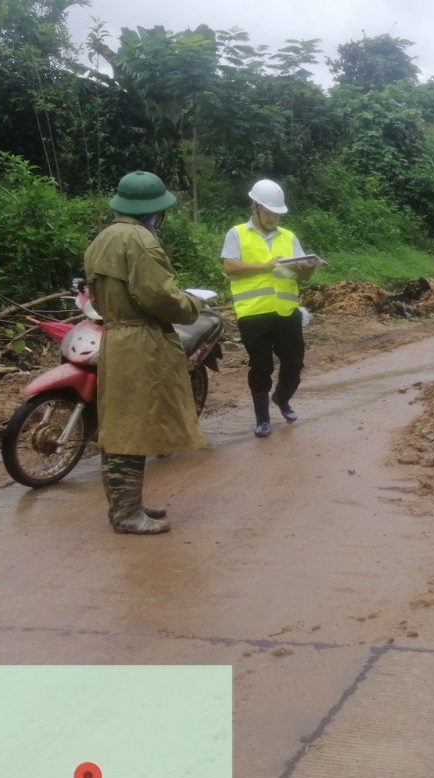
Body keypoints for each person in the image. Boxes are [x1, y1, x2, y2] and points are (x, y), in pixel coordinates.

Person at [84, 171, 207, 535]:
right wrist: (192, 305)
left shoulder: (101, 239)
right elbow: (161, 298)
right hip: (141, 342)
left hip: (116, 337)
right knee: (131, 428)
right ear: (154, 211)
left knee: (121, 424)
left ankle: (127, 506)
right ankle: (125, 515)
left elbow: (94, 297)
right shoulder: (142, 242)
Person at [221, 179, 317, 437]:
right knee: (261, 366)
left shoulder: (289, 237)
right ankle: (262, 419)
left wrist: (306, 269)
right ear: (255, 208)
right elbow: (229, 266)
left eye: (277, 213)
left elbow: (302, 275)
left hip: (287, 311)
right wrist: (267, 265)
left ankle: (282, 398)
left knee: (294, 363)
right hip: (253, 313)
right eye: (269, 212)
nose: (274, 217)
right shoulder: (237, 233)